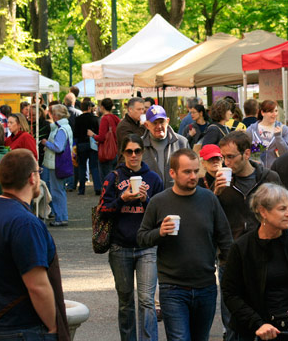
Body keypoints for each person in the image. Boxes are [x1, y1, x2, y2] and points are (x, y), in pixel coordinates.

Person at [137, 149, 233, 341]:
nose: (193, 176)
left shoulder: (209, 199)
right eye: (187, 172)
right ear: (173, 173)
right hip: (173, 288)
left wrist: (232, 272)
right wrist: (160, 232)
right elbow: (141, 237)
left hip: (205, 286)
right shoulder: (159, 202)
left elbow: (225, 239)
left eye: (196, 171)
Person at [0, 149, 69, 340]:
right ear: (32, 178)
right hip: (25, 329)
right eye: (38, 172)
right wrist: (52, 329)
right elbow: (37, 286)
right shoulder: (25, 223)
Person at [221, 183, 288, 341]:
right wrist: (258, 324)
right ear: (263, 211)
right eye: (282, 209)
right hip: (257, 332)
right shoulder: (242, 248)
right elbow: (231, 294)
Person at [98, 134, 164, 341]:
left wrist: (146, 201)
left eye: (137, 151)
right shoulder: (113, 177)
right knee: (126, 301)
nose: (133, 155)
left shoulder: (153, 178)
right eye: (129, 151)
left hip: (146, 247)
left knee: (146, 300)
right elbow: (102, 211)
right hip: (120, 247)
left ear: (142, 152)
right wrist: (122, 199)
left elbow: (160, 213)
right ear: (123, 153)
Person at [215, 131, 282, 240]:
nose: (226, 162)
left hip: (265, 245)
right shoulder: (221, 182)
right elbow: (213, 219)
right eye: (223, 157)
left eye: (230, 157)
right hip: (234, 248)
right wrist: (216, 195)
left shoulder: (269, 178)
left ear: (246, 154)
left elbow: (282, 212)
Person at [142, 105, 189, 189]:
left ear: (167, 121)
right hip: (150, 197)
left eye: (161, 122)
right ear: (147, 125)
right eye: (154, 123)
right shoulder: (139, 146)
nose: (159, 126)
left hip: (176, 195)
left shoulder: (181, 142)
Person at [41, 104, 74, 227]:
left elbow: (58, 148)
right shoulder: (66, 127)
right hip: (60, 163)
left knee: (57, 191)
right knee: (59, 190)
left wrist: (46, 143)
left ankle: (60, 217)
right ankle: (61, 216)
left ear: (56, 115)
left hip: (56, 163)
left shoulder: (60, 129)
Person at [246, 100, 288, 168]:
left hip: (277, 172)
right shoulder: (252, 130)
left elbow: (286, 154)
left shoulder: (283, 129)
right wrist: (252, 160)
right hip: (257, 172)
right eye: (271, 111)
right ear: (262, 113)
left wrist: (278, 137)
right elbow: (244, 151)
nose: (274, 114)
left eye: (276, 111)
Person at [89, 98, 122, 182]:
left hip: (107, 153)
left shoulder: (104, 119)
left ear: (102, 107)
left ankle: (108, 194)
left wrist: (92, 135)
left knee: (107, 178)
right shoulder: (116, 118)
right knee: (116, 177)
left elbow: (102, 137)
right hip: (116, 151)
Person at [74, 99, 102, 195]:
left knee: (82, 167)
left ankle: (81, 189)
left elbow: (75, 134)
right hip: (93, 144)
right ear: (90, 108)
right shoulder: (95, 119)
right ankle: (97, 188)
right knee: (94, 166)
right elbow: (98, 132)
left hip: (81, 144)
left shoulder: (78, 119)